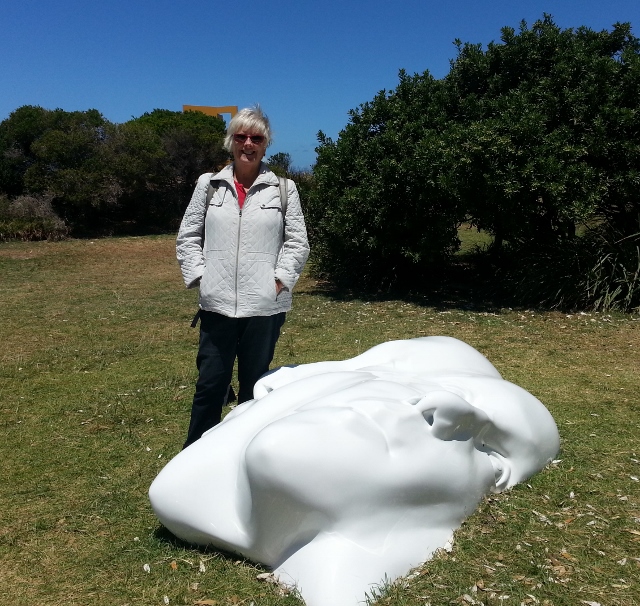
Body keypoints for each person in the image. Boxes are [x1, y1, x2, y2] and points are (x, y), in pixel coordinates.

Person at [149, 336, 560, 606]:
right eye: (488, 451)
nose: (447, 412)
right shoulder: (447, 383)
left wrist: (302, 381)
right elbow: (533, 435)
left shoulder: (185, 494)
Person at [176, 106, 309, 449]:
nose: (248, 144)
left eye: (256, 138)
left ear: (266, 145)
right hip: (216, 306)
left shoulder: (284, 189)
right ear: (230, 141)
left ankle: (243, 459)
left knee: (254, 389)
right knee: (210, 387)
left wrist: (279, 281)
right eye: (241, 136)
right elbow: (188, 236)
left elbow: (297, 242)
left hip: (264, 309)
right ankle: (195, 460)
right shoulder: (208, 185)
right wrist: (201, 277)